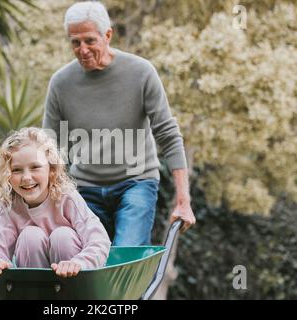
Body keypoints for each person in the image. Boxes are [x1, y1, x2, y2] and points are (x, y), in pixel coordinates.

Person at [42, 1, 196, 246]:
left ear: (108, 35)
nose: (82, 49)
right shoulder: (61, 83)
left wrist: (183, 201)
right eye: (75, 42)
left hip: (136, 183)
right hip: (85, 189)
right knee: (86, 260)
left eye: (90, 40)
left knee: (125, 255)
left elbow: (168, 134)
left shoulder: (141, 72)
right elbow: (49, 147)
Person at [0, 127, 111, 278]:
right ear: (7, 174)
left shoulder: (66, 198)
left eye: (35, 167)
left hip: (76, 279)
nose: (26, 178)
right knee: (30, 236)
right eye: (16, 170)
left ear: (52, 170)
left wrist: (79, 263)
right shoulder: (9, 204)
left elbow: (99, 240)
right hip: (35, 286)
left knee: (62, 236)